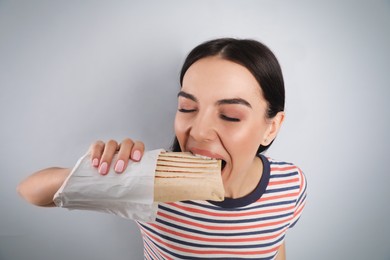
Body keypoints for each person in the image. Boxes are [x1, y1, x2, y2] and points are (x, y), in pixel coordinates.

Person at [18, 38, 307, 260]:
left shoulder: (291, 184)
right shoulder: (147, 184)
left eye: (230, 115)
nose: (199, 131)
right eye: (187, 108)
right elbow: (31, 191)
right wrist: (103, 172)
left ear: (272, 126)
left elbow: (274, 242)